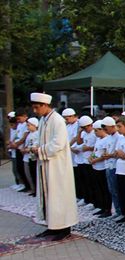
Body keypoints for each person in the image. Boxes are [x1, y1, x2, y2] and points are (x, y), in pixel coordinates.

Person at [30, 92, 78, 240]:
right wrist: (35, 147)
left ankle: (64, 228)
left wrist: (40, 150)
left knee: (59, 196)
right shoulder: (44, 120)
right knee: (49, 195)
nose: (35, 111)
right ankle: (52, 226)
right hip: (46, 164)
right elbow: (39, 139)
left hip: (57, 166)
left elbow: (58, 143)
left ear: (45, 105)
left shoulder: (57, 120)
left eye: (37, 107)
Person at [87, 120, 112, 217]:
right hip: (95, 166)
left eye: (97, 130)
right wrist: (91, 157)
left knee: (105, 189)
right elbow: (95, 151)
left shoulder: (106, 139)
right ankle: (101, 206)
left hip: (102, 167)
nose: (95, 132)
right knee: (99, 188)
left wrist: (96, 160)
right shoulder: (98, 140)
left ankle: (107, 208)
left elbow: (104, 154)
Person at [102, 117, 122, 219]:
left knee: (116, 189)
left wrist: (110, 155)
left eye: (106, 128)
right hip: (108, 165)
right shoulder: (108, 137)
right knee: (111, 189)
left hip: (115, 165)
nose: (106, 131)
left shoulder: (118, 137)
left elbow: (118, 152)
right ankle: (117, 211)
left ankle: (120, 211)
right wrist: (106, 154)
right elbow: (106, 149)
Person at [19, 117, 39, 196]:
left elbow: (35, 145)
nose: (28, 127)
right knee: (29, 174)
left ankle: (36, 191)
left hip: (33, 157)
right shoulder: (29, 134)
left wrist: (27, 150)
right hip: (27, 156)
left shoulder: (37, 134)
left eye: (29, 125)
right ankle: (33, 189)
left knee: (34, 174)